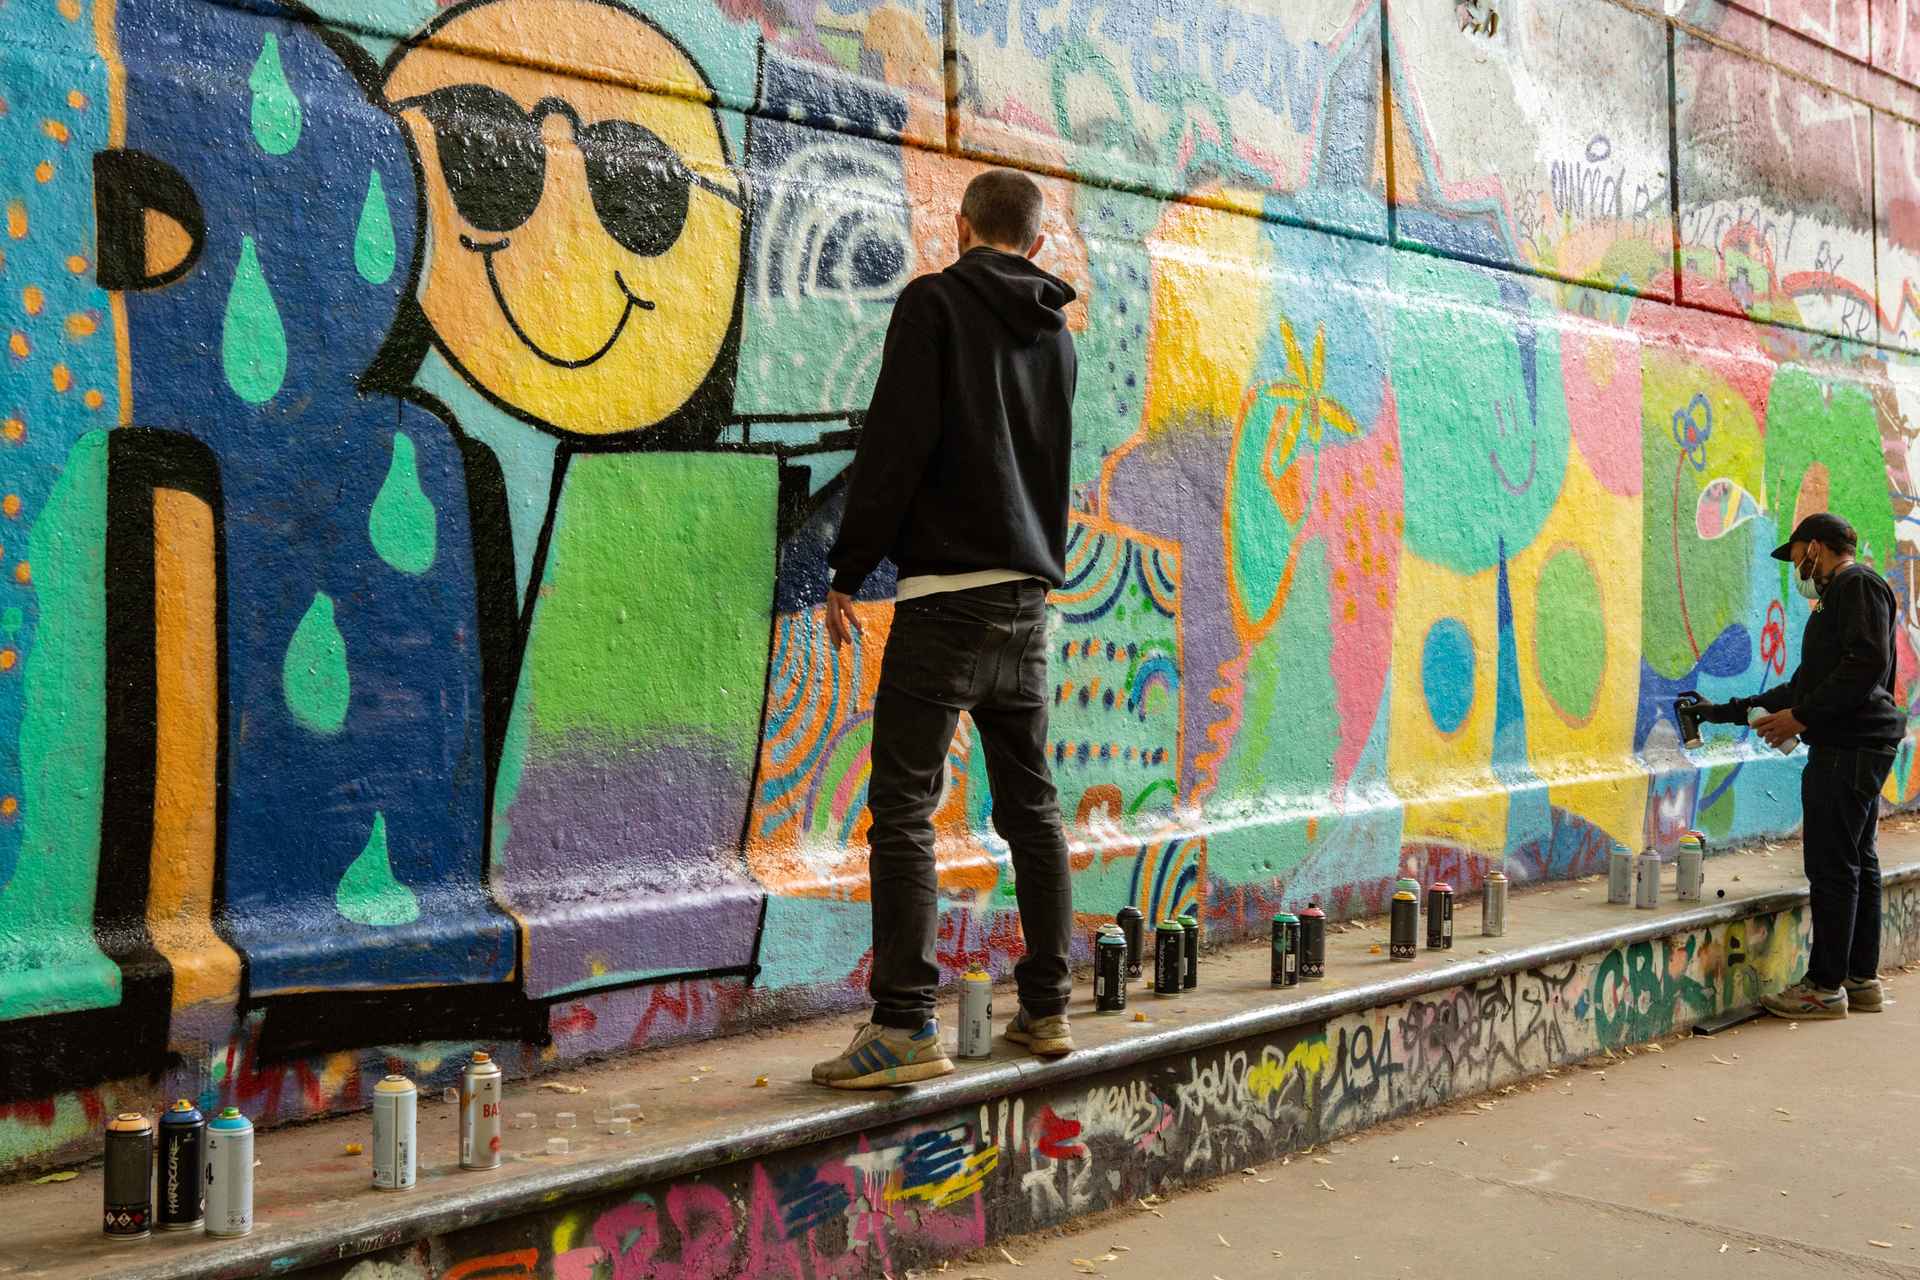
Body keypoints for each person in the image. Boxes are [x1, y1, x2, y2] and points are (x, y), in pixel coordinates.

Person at [809, 169, 1079, 1089]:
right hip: (1027, 605)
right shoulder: (1058, 337)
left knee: (903, 812)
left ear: (960, 226)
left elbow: (896, 442)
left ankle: (903, 1027)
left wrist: (850, 568)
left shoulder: (933, 304)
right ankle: (1047, 1009)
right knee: (1033, 810)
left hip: (943, 604)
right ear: (1036, 244)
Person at [1684, 513, 1904, 1019]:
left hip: (1848, 749)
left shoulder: (1856, 585)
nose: (1796, 567)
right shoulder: (1839, 598)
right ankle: (1859, 979)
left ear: (1816, 548)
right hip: (1855, 745)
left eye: (1798, 554)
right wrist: (1722, 712)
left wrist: (1801, 718)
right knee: (1856, 860)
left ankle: (1823, 988)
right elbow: (1803, 685)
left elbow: (1865, 663)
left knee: (1832, 867)